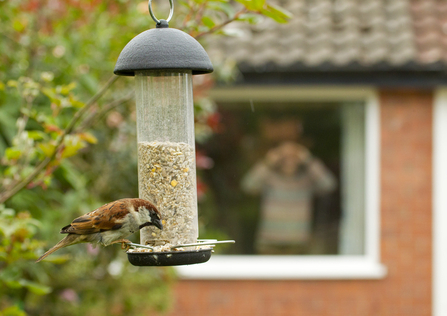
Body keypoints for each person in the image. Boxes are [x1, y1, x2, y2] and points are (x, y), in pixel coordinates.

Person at [241, 141, 336, 254]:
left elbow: (329, 185)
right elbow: (248, 185)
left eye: (293, 156)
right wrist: (267, 162)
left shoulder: (306, 180)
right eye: (284, 156)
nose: (289, 160)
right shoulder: (270, 177)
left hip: (298, 243)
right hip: (269, 243)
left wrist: (309, 160)